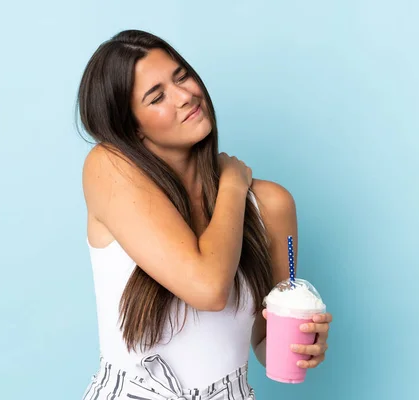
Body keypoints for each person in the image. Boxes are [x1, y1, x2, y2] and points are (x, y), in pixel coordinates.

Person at [76, 29, 333, 400]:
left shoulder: (272, 204)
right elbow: (209, 288)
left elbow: (262, 342)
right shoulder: (107, 168)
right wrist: (232, 185)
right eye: (157, 96)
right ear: (131, 127)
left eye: (181, 76)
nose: (184, 96)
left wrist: (303, 343)